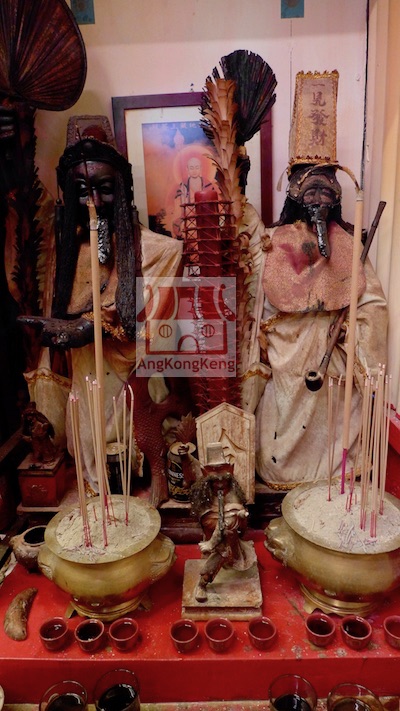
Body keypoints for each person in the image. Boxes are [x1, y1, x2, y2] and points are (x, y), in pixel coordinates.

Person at [19, 116, 189, 505]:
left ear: (123, 190)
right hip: (86, 383)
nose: (93, 202)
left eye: (104, 189)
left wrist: (94, 326)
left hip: (134, 383)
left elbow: (155, 327)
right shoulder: (65, 255)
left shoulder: (159, 252)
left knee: (137, 457)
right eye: (81, 191)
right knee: (95, 470)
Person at [241, 161, 388, 494]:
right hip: (287, 356)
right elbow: (259, 301)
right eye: (311, 191)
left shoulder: (350, 244)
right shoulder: (271, 241)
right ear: (295, 195)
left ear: (335, 198)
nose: (318, 199)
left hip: (332, 357)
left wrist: (351, 328)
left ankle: (335, 470)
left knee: (334, 422)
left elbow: (373, 306)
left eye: (325, 191)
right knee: (279, 434)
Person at [190, 458, 256, 602]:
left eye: (223, 480)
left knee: (223, 546)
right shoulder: (204, 494)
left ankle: (202, 583)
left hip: (227, 535)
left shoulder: (233, 495)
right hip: (211, 529)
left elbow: (232, 521)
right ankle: (205, 579)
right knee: (223, 543)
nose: (220, 485)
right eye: (215, 481)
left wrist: (238, 516)